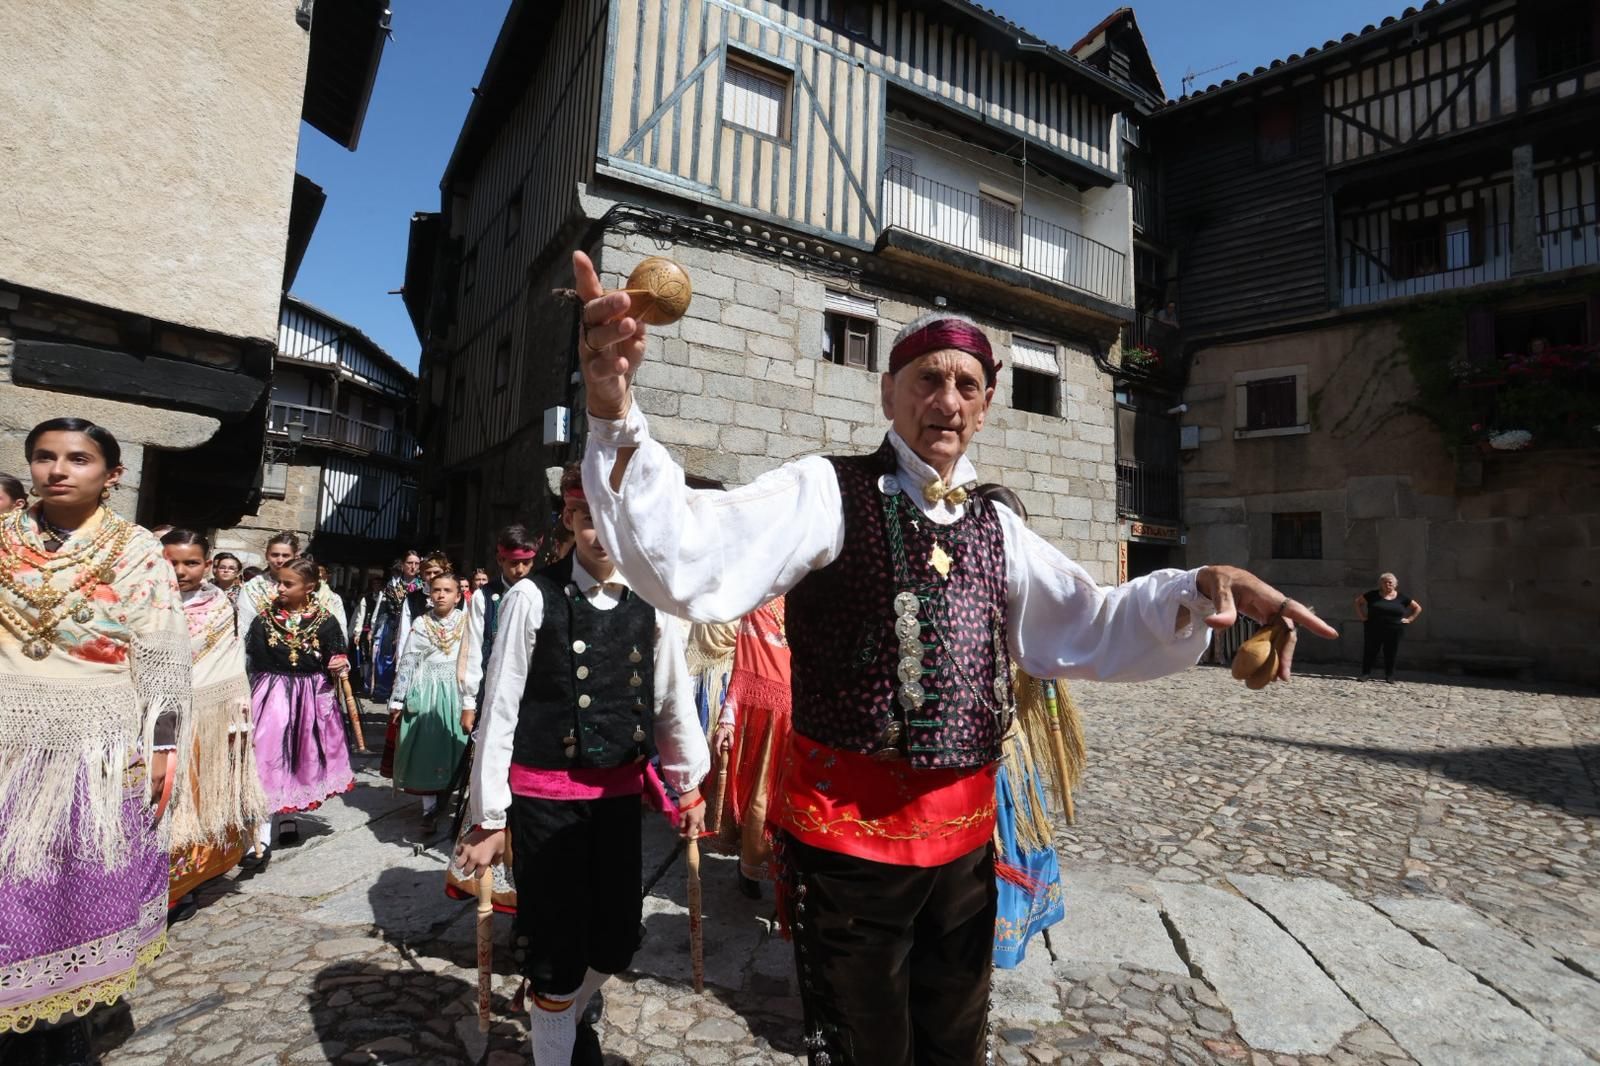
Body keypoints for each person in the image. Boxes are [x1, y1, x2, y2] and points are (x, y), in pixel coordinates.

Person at [566, 249, 1337, 1065]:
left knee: (956, 1042)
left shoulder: (997, 526)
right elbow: (690, 549)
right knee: (864, 1047)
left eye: (966, 386)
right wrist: (615, 407)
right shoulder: (827, 491)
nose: (946, 401)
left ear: (988, 404)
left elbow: (1092, 622)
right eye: (928, 380)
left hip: (967, 843)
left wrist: (1198, 585)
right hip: (846, 848)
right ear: (888, 392)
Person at [453, 467, 710, 1066]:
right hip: (545, 803)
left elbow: (670, 699)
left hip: (617, 799)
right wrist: (490, 818)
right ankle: (554, 1033)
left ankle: (556, 1007)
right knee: (558, 950)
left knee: (617, 939)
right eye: (590, 517)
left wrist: (687, 787)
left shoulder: (653, 601)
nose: (603, 533)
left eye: (616, 518)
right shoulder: (529, 596)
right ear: (569, 519)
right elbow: (500, 710)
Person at [0, 418, 191, 1060]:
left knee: (72, 876)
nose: (58, 470)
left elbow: (161, 654)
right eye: (44, 457)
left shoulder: (136, 551)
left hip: (97, 740)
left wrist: (162, 746)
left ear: (112, 476)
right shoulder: (2, 540)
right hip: (7, 733)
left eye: (78, 459)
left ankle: (70, 1016)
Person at [969, 484, 1078, 970]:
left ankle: (1004, 932)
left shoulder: (1027, 594)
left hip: (1010, 748)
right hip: (963, 753)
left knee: (1016, 837)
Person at [161, 529, 267, 921]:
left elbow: (226, 662)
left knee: (188, 798)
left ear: (207, 566)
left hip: (200, 716)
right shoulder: (143, 600)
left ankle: (180, 887)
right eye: (172, 561)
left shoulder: (218, 605)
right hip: (143, 715)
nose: (180, 570)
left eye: (190, 562)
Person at [445, 524, 542, 914]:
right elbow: (472, 652)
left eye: (527, 562)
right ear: (500, 558)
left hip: (533, 706)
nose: (520, 570)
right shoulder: (484, 598)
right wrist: (471, 702)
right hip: (495, 699)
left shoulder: (541, 593)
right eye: (513, 562)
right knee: (492, 779)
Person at [241, 557, 353, 868]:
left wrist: (338, 661)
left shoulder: (325, 619)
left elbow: (336, 650)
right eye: (278, 582)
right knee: (266, 754)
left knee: (299, 757)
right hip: (272, 693)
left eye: (287, 584)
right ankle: (259, 837)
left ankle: (288, 820)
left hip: (310, 696)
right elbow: (254, 659)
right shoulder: (264, 620)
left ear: (309, 587)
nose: (279, 588)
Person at [709, 597, 791, 900]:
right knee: (761, 799)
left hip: (807, 718)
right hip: (767, 718)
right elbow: (743, 668)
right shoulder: (759, 604)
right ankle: (750, 868)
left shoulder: (812, 599)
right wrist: (728, 719)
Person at [389, 571, 471, 837]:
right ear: (429, 594)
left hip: (457, 691)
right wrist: (399, 698)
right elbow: (409, 660)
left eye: (447, 590)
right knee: (427, 749)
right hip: (427, 690)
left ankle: (458, 805)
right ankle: (429, 809)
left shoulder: (468, 622)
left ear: (458, 596)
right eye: (436, 590)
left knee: (458, 748)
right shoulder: (421, 624)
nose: (441, 595)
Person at [236, 532, 348, 641]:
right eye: (274, 555)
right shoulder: (253, 588)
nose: (279, 560)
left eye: (286, 555)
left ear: (296, 556)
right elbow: (245, 625)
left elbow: (337, 631)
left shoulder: (320, 590)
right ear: (266, 555)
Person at [371, 552, 423, 702]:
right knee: (388, 658)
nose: (413, 567)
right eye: (410, 563)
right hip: (392, 625)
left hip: (414, 626)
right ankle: (387, 691)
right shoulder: (392, 584)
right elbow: (383, 609)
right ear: (403, 565)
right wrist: (376, 631)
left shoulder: (422, 586)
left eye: (416, 563)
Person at [1355, 572, 1421, 683]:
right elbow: (1358, 602)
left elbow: (1417, 608)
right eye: (1384, 582)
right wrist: (1362, 617)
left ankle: (1389, 676)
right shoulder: (1372, 595)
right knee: (1370, 651)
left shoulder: (1402, 597)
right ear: (1381, 584)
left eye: (1390, 582)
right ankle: (1365, 674)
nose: (1387, 584)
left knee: (1391, 652)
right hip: (1373, 628)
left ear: (1395, 584)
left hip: (1394, 629)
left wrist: (1409, 619)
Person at [350, 575, 386, 695]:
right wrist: (357, 633)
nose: (376, 586)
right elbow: (360, 616)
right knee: (366, 657)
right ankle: (365, 683)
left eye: (379, 584)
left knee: (378, 658)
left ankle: (377, 684)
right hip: (367, 631)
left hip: (381, 632)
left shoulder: (386, 598)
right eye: (374, 584)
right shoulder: (366, 598)